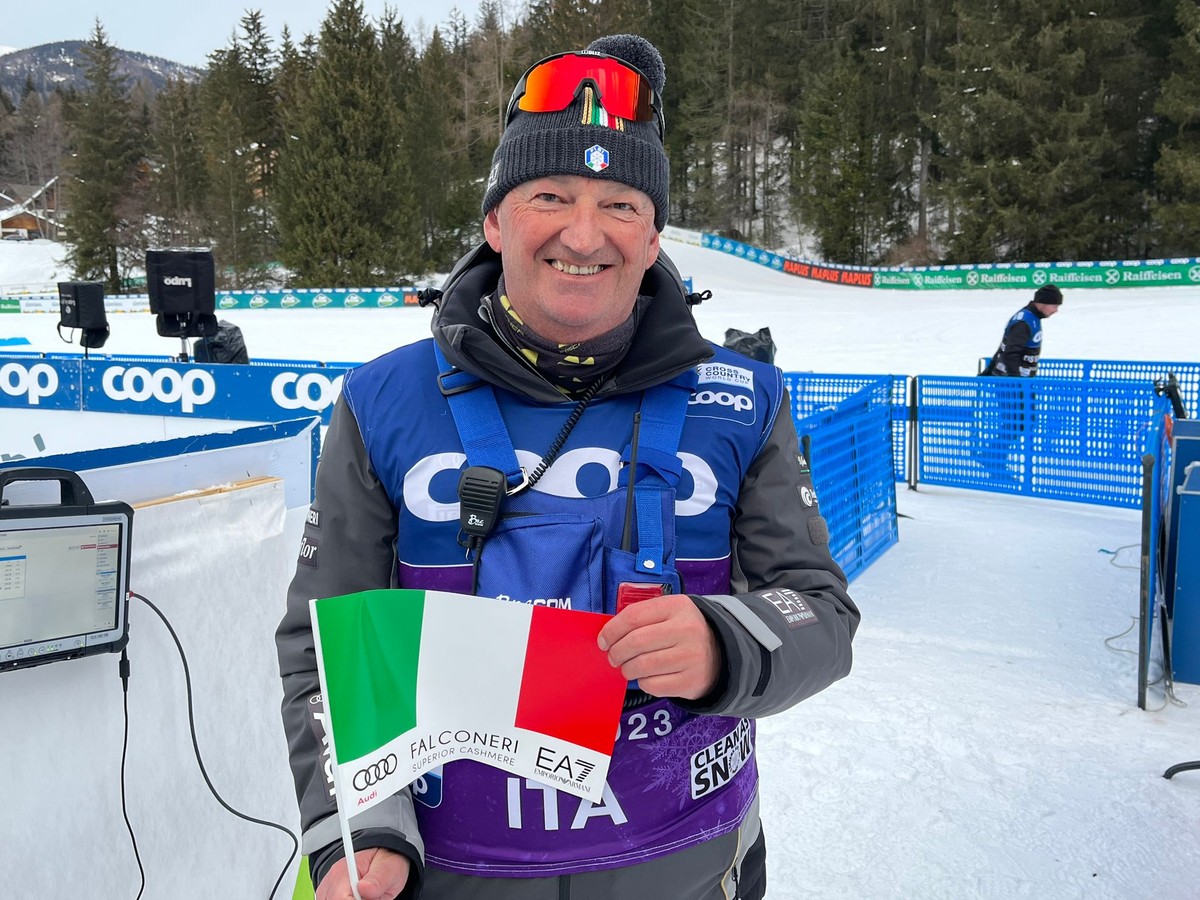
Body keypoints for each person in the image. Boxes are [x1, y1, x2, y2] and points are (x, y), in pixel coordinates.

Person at [276, 33, 859, 900]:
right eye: (551, 195)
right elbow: (326, 649)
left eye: (621, 204)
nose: (584, 236)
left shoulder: (746, 398)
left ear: (655, 234)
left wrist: (723, 643)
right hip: (452, 878)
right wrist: (360, 835)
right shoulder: (381, 401)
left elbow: (820, 611)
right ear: (496, 222)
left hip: (694, 868)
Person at [981, 284, 1064, 377]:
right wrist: (1019, 384)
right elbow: (1010, 354)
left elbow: (1004, 348)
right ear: (1043, 302)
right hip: (1011, 383)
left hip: (1021, 382)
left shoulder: (1033, 318)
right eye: (1054, 306)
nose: (1056, 310)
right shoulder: (1024, 322)